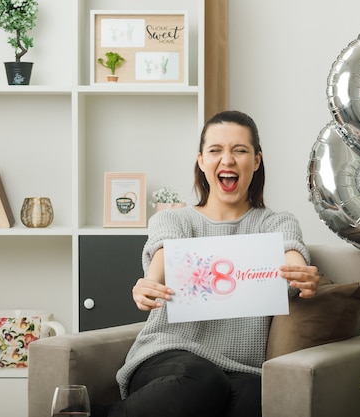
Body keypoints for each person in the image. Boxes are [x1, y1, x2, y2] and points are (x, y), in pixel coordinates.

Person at [102, 110, 320, 417]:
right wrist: (151, 281)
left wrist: (301, 274)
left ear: (256, 161)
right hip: (168, 357)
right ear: (201, 161)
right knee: (204, 380)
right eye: (215, 151)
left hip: (242, 369)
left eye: (239, 151)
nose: (227, 160)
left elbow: (290, 248)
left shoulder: (275, 222)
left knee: (257, 398)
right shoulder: (174, 219)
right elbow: (164, 249)